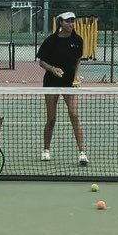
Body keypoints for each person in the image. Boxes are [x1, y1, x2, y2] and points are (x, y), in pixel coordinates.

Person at [36, 11, 88, 166]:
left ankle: (82, 153)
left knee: (74, 114)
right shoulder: (51, 41)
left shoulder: (78, 40)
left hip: (69, 84)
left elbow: (78, 60)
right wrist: (53, 69)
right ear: (60, 22)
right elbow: (41, 62)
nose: (71, 24)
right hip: (51, 82)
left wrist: (77, 77)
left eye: (73, 21)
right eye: (68, 21)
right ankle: (46, 150)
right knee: (51, 119)